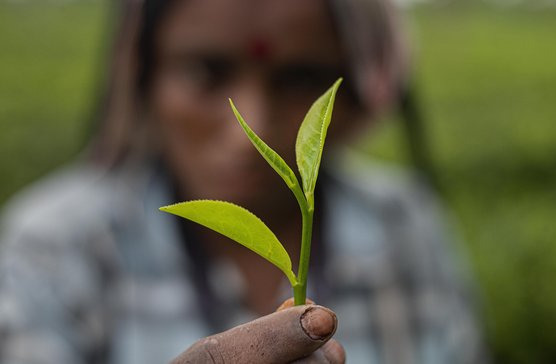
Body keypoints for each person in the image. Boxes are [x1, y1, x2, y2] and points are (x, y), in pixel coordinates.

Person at [0, 0, 488, 363]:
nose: (246, 128)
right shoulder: (53, 247)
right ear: (145, 77)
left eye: (299, 77)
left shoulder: (406, 226)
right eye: (205, 71)